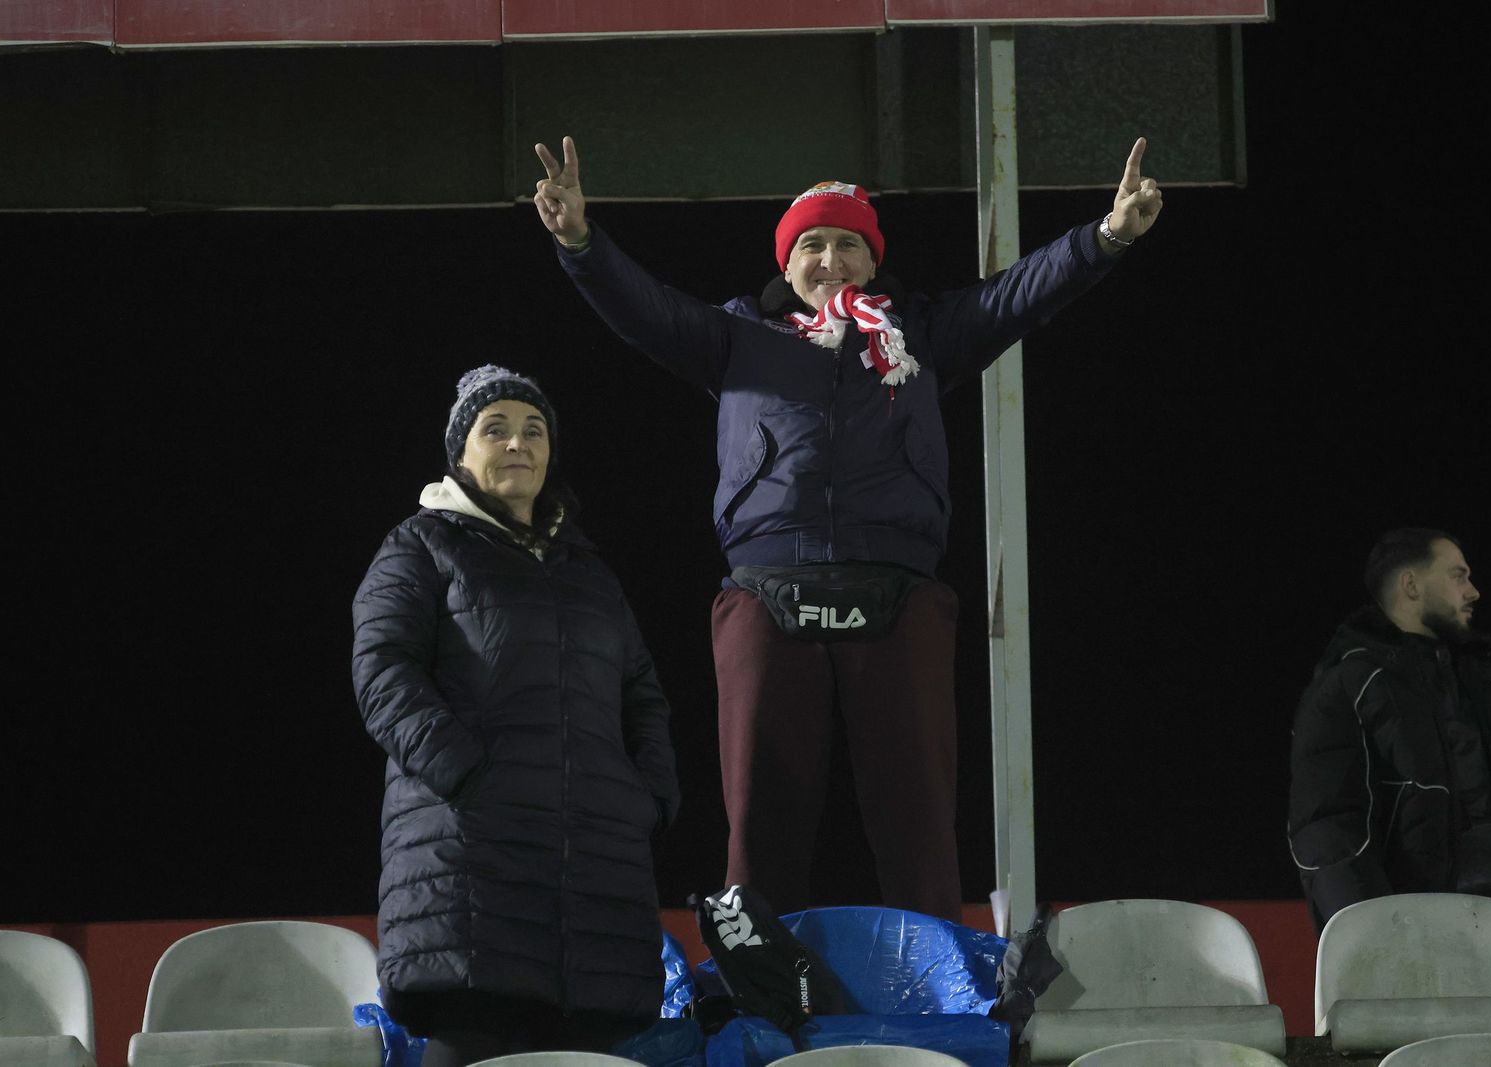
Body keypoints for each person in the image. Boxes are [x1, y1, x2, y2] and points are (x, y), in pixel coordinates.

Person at [532, 134, 1162, 921]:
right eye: (812, 245)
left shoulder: (919, 334)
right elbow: (645, 308)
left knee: (919, 829)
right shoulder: (738, 336)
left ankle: (934, 982)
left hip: (898, 587)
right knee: (760, 826)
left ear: (872, 260)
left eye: (847, 244)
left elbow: (1018, 294)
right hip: (767, 587)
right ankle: (756, 976)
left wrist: (1107, 236)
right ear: (786, 263)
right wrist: (580, 242)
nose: (830, 259)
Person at [351, 365, 681, 1064]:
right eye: (494, 429)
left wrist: (647, 796)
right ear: (460, 453)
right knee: (474, 1033)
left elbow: (642, 693)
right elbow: (383, 670)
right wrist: (470, 776)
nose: (517, 444)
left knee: (586, 1051)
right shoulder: (420, 545)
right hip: (473, 856)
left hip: (595, 862)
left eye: (534, 431)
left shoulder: (588, 570)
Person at [1288, 529, 1491, 931]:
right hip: (1411, 931)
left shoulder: (1489, 690)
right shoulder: (1349, 686)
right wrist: (1378, 932)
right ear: (1411, 585)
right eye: (1458, 576)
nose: (1473, 592)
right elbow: (1327, 828)